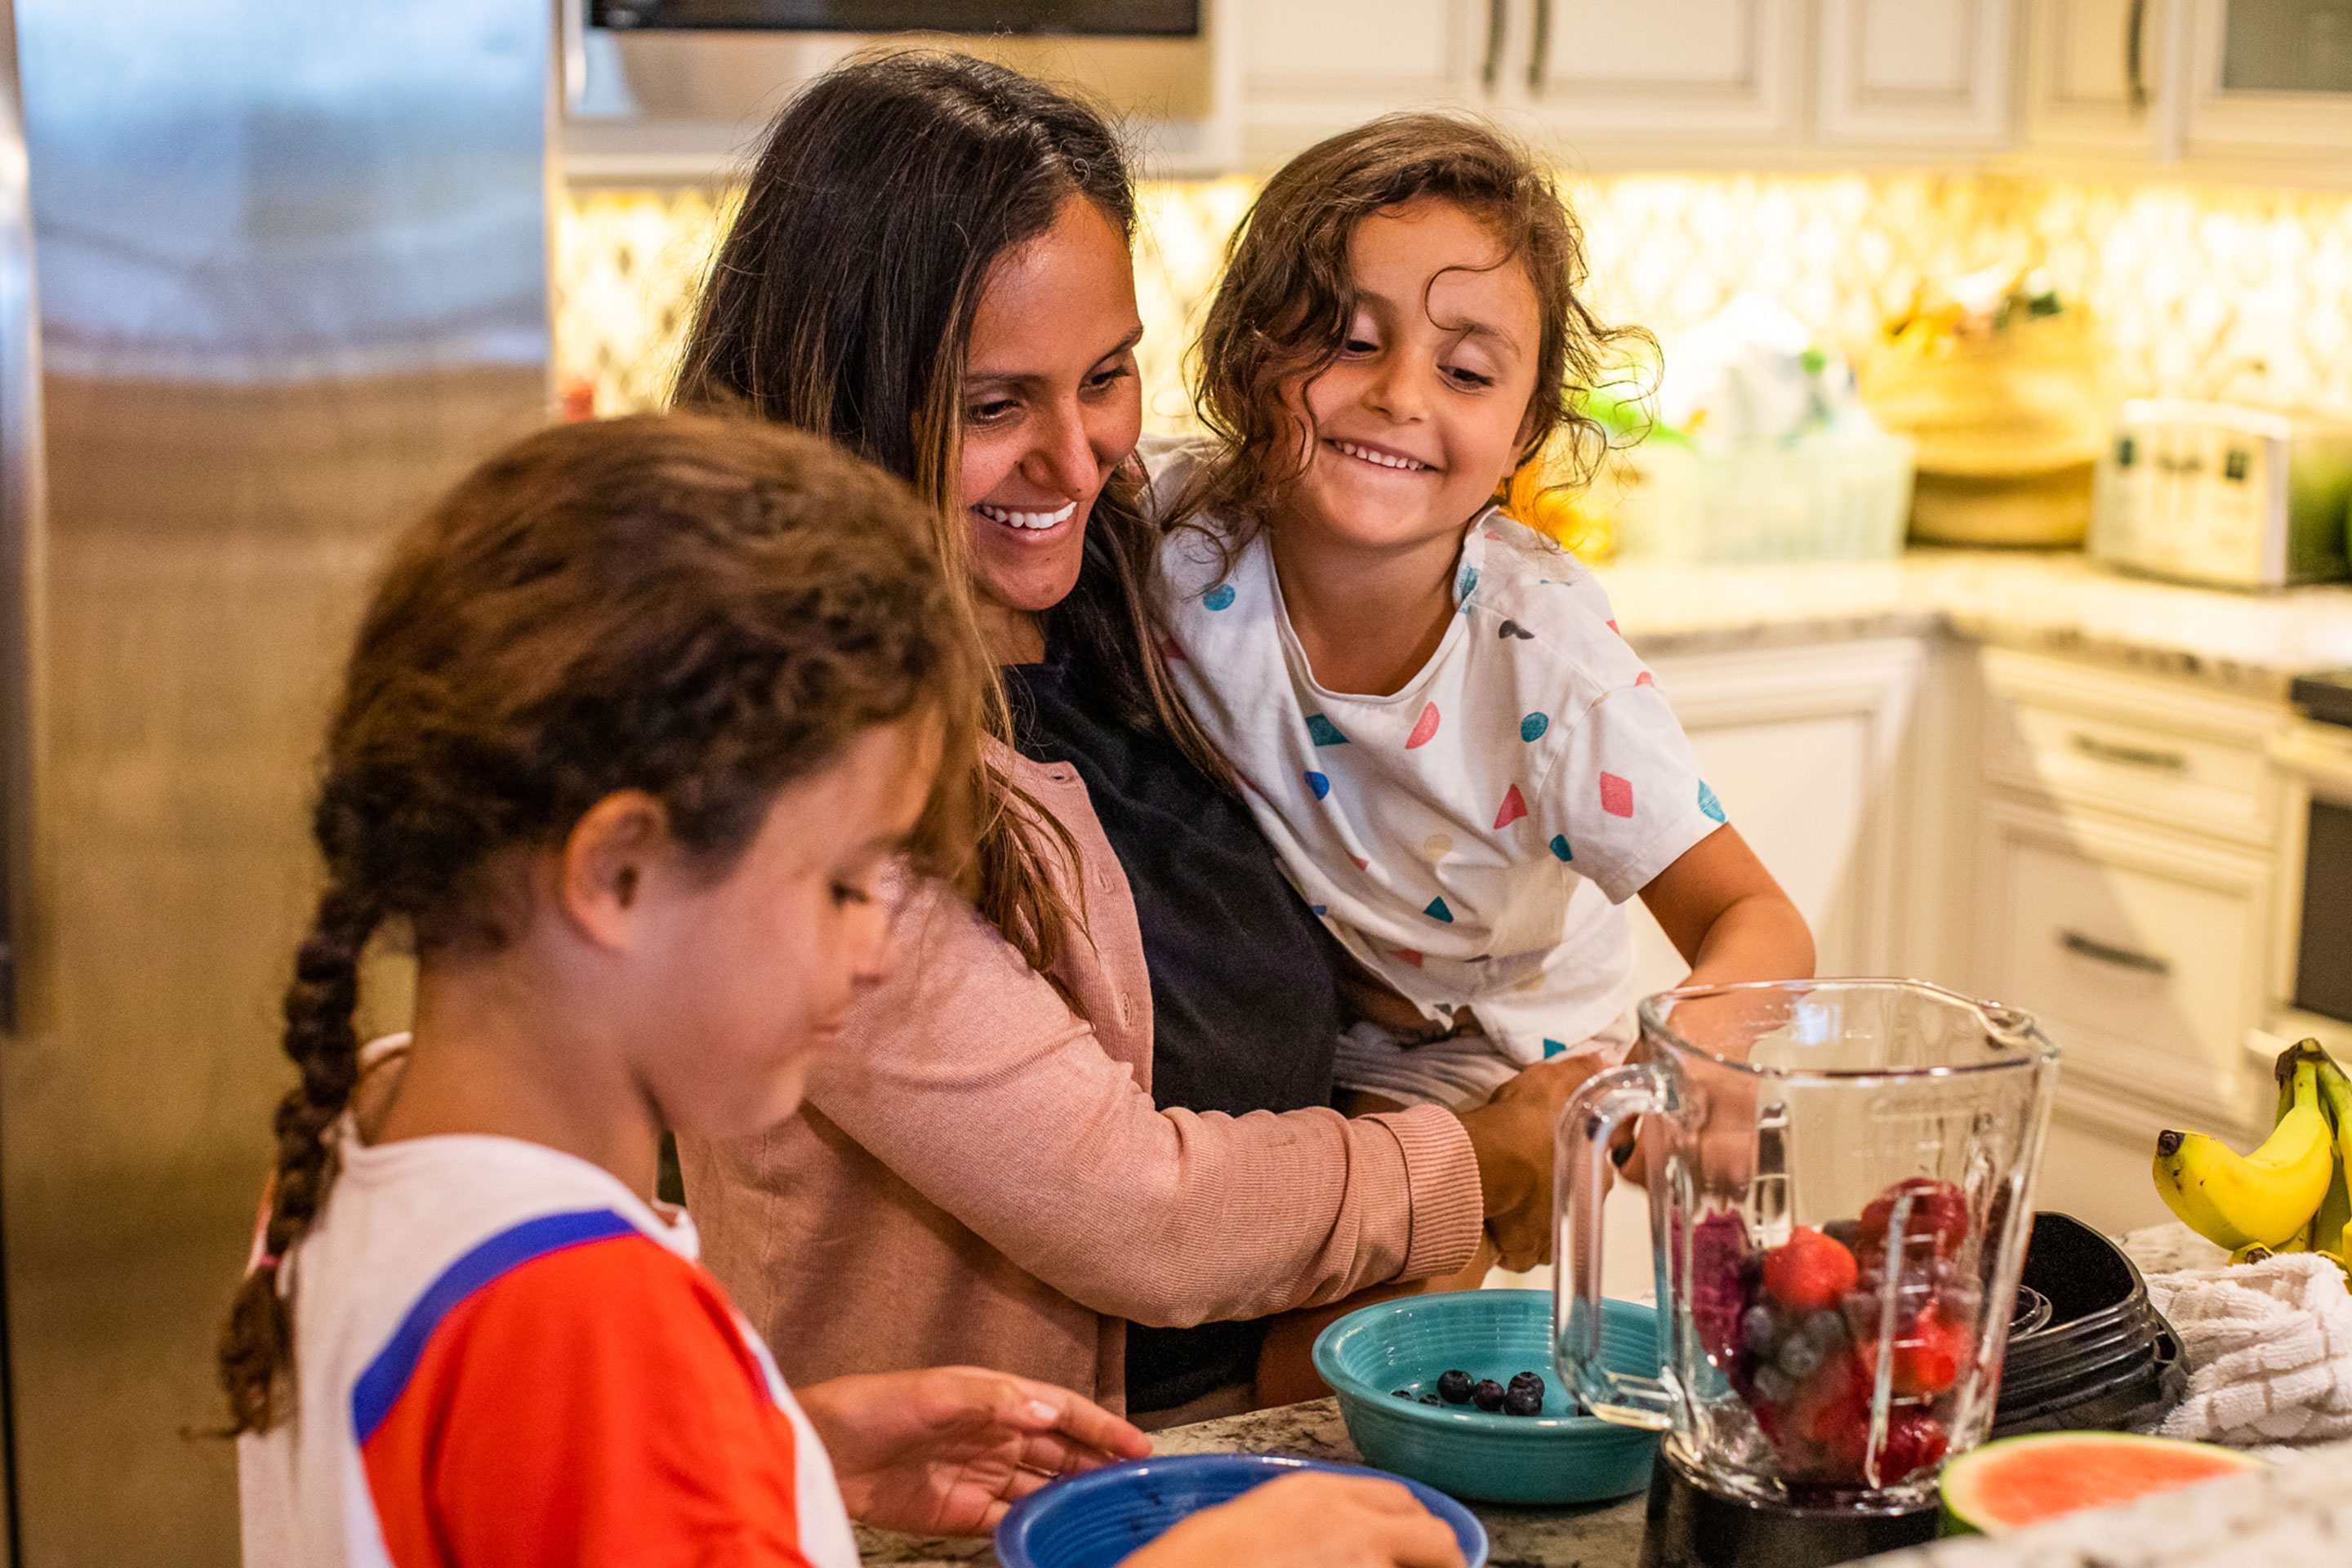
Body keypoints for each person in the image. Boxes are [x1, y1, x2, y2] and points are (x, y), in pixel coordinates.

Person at [218, 413, 1466, 1568]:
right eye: (845, 882)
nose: (876, 952)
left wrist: (767, 1449)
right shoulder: (583, 1324)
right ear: (617, 871)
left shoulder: (364, 1141)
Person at [672, 52, 1593, 1425]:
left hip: (1264, 1422)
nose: (1080, 458)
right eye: (994, 406)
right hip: (996, 1492)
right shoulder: (790, 767)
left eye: (1107, 375)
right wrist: (1478, 1163)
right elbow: (1131, 1211)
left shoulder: (1146, 586)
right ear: (845, 402)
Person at [1148, 114, 1815, 1114]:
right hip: (1307, 1013)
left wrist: (1699, 1051)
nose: (1399, 394)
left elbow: (1757, 915)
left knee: (1388, 1210)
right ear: (1248, 362)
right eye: (1347, 341)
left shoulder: (1546, 659)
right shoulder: (1179, 534)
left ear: (1523, 434)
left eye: (1464, 372)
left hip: (1501, 1043)